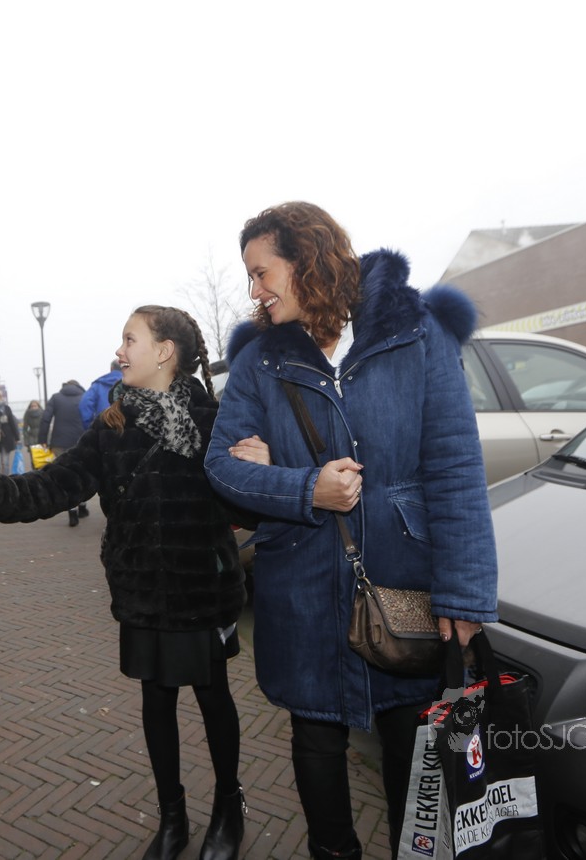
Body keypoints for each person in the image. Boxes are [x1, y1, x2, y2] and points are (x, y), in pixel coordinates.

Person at [203, 202, 498, 860]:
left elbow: (454, 468)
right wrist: (304, 486)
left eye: (260, 272)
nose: (253, 290)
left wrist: (464, 595)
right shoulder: (259, 360)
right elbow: (220, 466)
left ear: (304, 259)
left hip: (404, 579)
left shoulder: (415, 333)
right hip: (302, 585)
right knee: (315, 735)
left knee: (411, 741)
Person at [0, 306, 249, 860]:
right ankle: (172, 818)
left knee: (214, 699)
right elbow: (57, 483)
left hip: (202, 594)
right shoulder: (111, 427)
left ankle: (227, 810)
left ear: (164, 351)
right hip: (141, 592)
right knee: (156, 702)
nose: (119, 351)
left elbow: (246, 505)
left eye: (130, 340)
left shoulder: (216, 423)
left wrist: (260, 464)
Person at [38, 378, 88, 525]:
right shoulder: (85, 396)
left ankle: (72, 512)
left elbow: (45, 418)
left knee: (66, 476)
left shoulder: (56, 397)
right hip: (82, 441)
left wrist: (42, 439)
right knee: (83, 474)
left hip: (59, 443)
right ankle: (83, 506)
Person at [80, 360, 123, 428]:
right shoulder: (132, 384)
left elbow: (85, 403)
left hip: (103, 426)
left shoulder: (98, 385)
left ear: (111, 368)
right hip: (126, 428)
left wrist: (89, 426)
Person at [0, 388, 20, 472]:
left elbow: (12, 422)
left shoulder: (6, 408)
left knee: (5, 462)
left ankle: (5, 478)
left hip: (6, 438)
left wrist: (17, 437)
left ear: (0, 397)